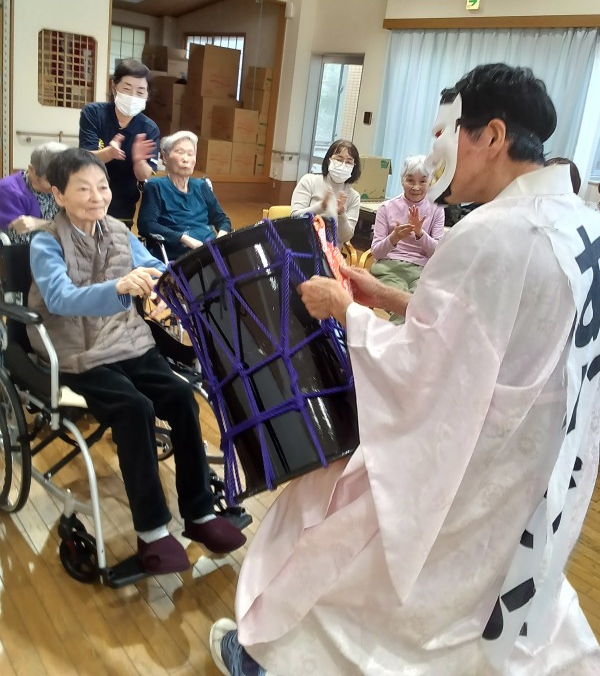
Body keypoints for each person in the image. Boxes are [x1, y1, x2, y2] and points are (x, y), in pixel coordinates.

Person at [209, 64, 600, 675]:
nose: (437, 151)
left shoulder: (497, 233)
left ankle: (270, 659)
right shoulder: (579, 222)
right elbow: (492, 331)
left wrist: (346, 312)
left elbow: (426, 371)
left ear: (492, 136)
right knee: (484, 586)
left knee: (338, 539)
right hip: (538, 458)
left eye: (447, 133)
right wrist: (389, 297)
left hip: (462, 452)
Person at [27, 148, 246, 575]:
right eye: (84, 189)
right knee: (134, 408)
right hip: (78, 352)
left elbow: (151, 268)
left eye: (103, 186)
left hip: (128, 342)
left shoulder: (117, 231)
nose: (97, 197)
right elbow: (58, 297)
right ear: (59, 194)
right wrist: (118, 287)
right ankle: (153, 532)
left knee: (182, 398)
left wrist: (180, 279)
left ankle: (200, 513)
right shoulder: (46, 241)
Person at [79, 59, 159, 225]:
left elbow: (144, 175)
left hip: (123, 204)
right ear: (114, 87)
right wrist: (109, 153)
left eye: (140, 92)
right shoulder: (93, 113)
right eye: (127, 89)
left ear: (147, 94)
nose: (133, 97)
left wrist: (139, 161)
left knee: (117, 240)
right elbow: (85, 159)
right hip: (88, 198)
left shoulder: (149, 129)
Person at [137, 130, 231, 261]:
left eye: (190, 154)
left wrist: (220, 239)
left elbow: (223, 220)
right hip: (179, 257)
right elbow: (147, 225)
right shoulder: (156, 186)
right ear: (165, 157)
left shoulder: (201, 186)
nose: (186, 159)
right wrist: (183, 238)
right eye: (180, 152)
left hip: (210, 252)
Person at [370, 154, 445, 312]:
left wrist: (420, 234)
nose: (416, 187)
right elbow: (376, 252)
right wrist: (394, 238)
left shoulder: (437, 210)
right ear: (402, 180)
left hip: (421, 272)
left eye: (422, 181)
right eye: (410, 180)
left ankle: (398, 328)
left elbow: (437, 252)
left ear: (430, 182)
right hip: (389, 269)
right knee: (404, 306)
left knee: (421, 305)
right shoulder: (386, 208)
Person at [291, 140, 361, 244]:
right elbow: (294, 218)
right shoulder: (309, 181)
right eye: (339, 159)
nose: (343, 165)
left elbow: (345, 237)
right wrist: (320, 207)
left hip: (332, 252)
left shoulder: (354, 196)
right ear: (329, 160)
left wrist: (341, 214)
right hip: (302, 245)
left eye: (348, 162)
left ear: (354, 166)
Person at [0, 141, 66, 243]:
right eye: (49, 181)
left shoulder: (64, 186)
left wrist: (42, 224)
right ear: (31, 170)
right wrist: (57, 228)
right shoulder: (9, 191)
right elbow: (20, 242)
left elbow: (79, 228)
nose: (56, 186)